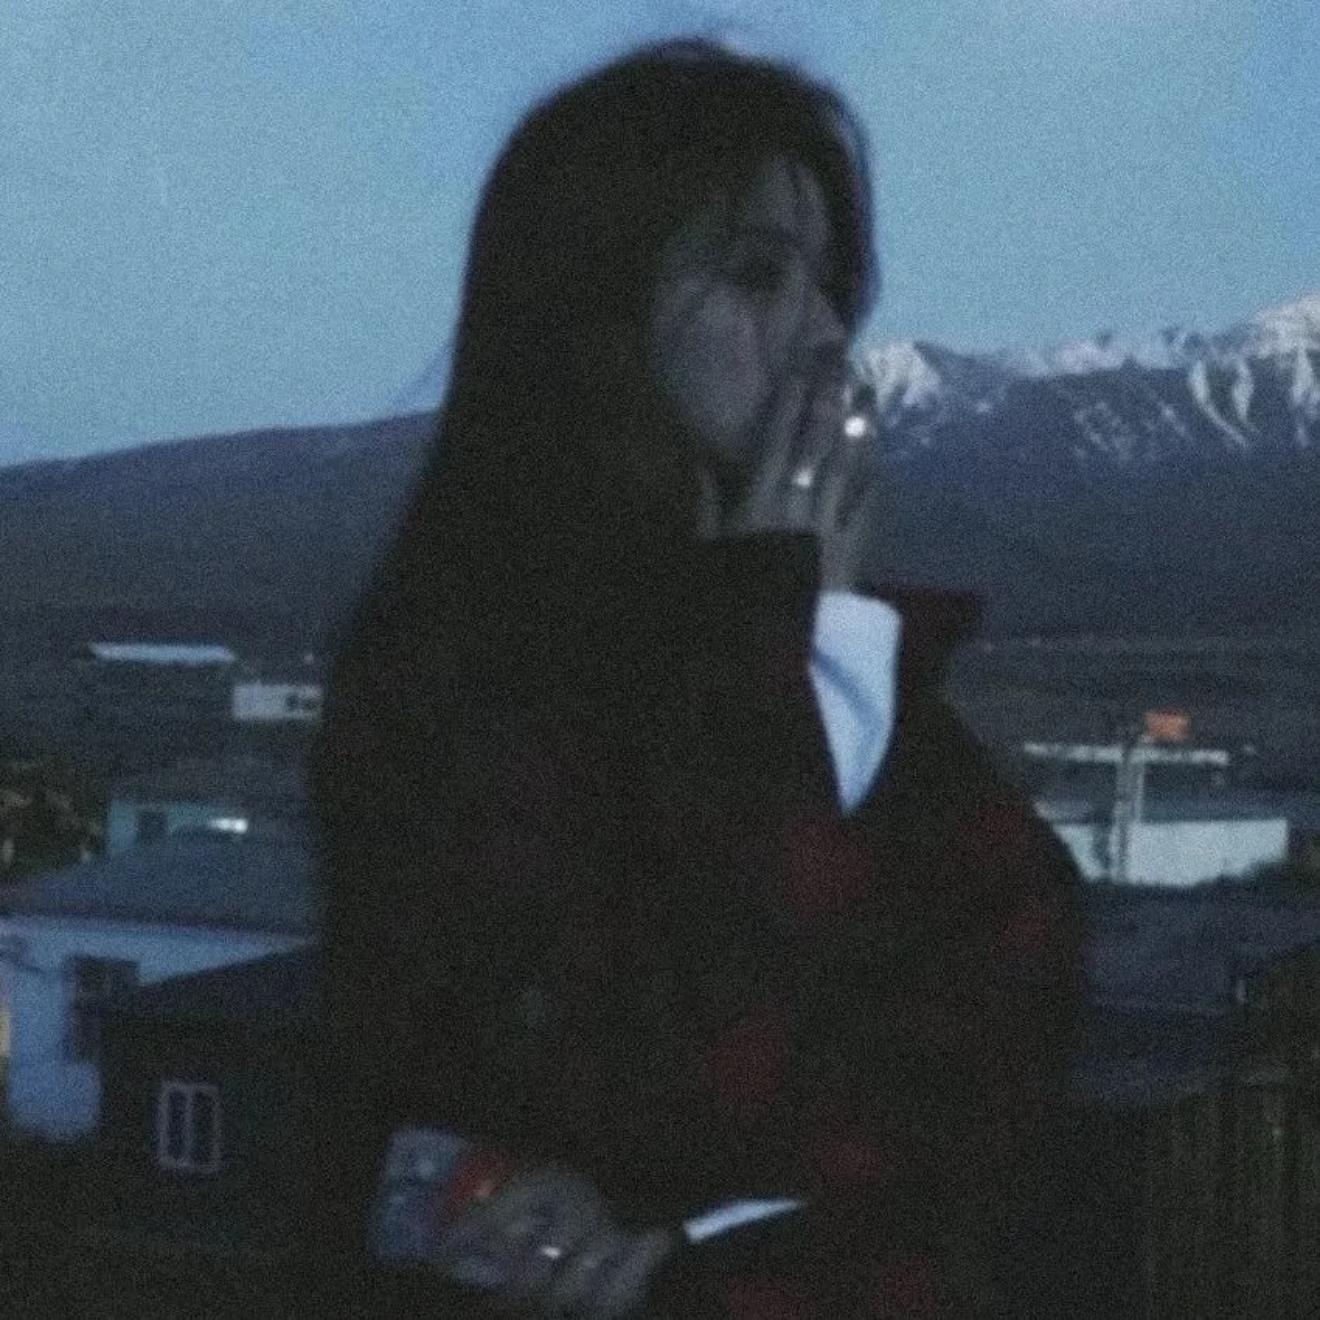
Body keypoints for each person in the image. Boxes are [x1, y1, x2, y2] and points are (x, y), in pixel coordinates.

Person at [309, 38, 1084, 1319]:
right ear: (598, 317)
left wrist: (809, 625)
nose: (824, 333)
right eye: (757, 275)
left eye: (832, 285)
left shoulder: (842, 657)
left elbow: (1010, 1036)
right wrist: (770, 631)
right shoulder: (465, 682)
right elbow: (698, 1065)